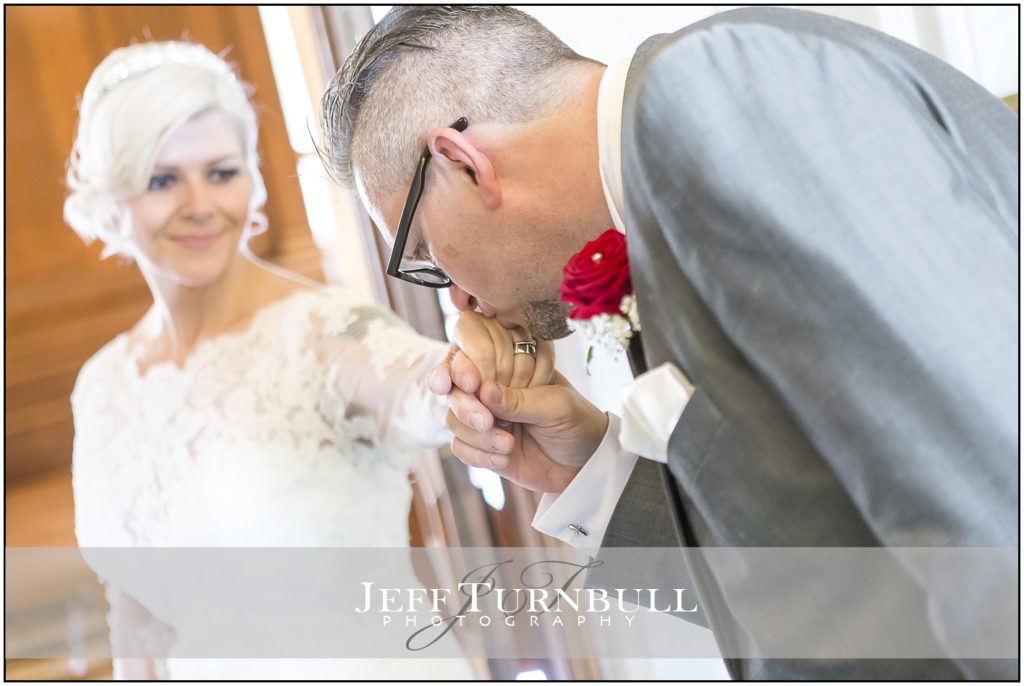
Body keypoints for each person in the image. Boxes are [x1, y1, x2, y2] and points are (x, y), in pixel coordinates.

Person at [319, 6, 1018, 680]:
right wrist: (582, 470)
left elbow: (986, 480)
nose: (459, 300)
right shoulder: (661, 191)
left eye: (426, 255)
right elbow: (809, 581)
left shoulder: (711, 97)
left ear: (462, 163)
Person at [65, 40, 544, 680]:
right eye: (161, 180)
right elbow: (135, 614)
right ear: (111, 200)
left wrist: (474, 369)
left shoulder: (325, 330)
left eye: (222, 171)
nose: (199, 204)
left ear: (253, 179)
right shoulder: (101, 386)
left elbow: (416, 386)